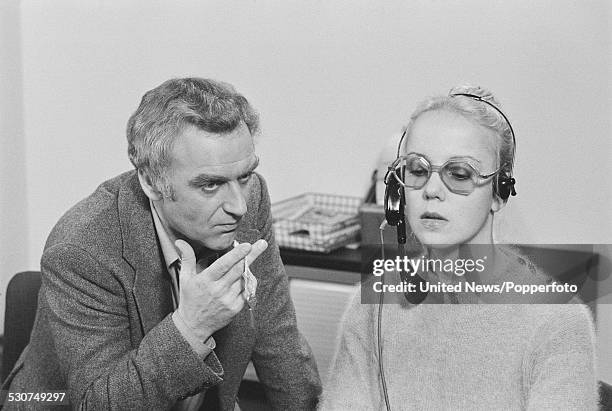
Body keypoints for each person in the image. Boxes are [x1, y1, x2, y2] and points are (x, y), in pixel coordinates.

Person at [2, 77, 321, 410]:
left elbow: (277, 336)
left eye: (244, 175)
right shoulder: (81, 248)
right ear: (152, 182)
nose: (238, 205)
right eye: (211, 185)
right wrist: (191, 327)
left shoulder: (250, 197)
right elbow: (99, 403)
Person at [320, 85, 597, 410]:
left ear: (499, 192)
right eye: (418, 170)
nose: (432, 190)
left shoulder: (558, 321)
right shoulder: (373, 305)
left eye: (459, 174)